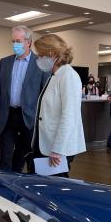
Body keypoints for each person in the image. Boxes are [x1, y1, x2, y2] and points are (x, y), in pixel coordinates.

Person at [0, 25, 49, 172]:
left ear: (29, 42)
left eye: (18, 41)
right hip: (8, 115)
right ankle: (3, 187)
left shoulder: (40, 63)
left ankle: (25, 187)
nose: (15, 44)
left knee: (28, 156)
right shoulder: (5, 62)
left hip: (29, 117)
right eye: (13, 41)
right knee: (5, 156)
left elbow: (45, 93)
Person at [32, 34, 86, 176]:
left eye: (40, 55)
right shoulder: (55, 75)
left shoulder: (69, 76)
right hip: (46, 143)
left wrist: (58, 149)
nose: (38, 59)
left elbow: (69, 116)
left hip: (57, 148)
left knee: (55, 186)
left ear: (52, 54)